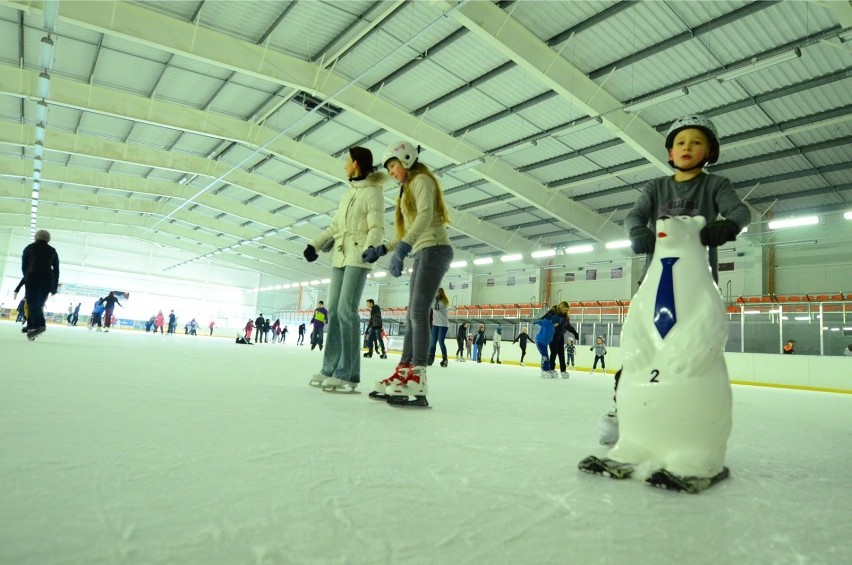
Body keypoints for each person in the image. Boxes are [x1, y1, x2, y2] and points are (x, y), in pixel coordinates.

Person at [363, 141, 453, 407]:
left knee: (417, 313)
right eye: (388, 168)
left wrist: (402, 249)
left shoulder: (421, 180)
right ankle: (404, 371)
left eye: (392, 166)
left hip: (435, 249)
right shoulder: (406, 190)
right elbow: (408, 230)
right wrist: (383, 249)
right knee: (411, 314)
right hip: (424, 250)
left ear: (405, 160)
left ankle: (418, 376)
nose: (390, 172)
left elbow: (425, 217)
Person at [624, 114, 751, 284]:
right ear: (671, 153)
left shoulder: (715, 185)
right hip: (655, 276)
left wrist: (730, 225)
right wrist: (636, 230)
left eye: (696, 142)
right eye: (681, 143)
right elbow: (635, 215)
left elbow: (740, 211)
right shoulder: (655, 187)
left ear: (710, 152)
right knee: (639, 310)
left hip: (698, 277)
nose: (687, 147)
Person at [304, 147, 388, 391]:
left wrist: (372, 248)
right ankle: (329, 367)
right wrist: (315, 245)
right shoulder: (348, 194)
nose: (344, 165)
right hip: (340, 255)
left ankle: (348, 373)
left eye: (347, 161)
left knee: (346, 310)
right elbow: (334, 227)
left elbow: (377, 227)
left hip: (359, 255)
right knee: (334, 310)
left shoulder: (373, 193)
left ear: (356, 164)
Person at [21, 230, 59, 340]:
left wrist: (26, 277)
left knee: (32, 302)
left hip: (33, 276)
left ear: (36, 237)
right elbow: (56, 270)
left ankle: (39, 325)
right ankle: (32, 327)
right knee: (39, 303)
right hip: (48, 278)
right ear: (48, 239)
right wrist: (54, 287)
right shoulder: (52, 251)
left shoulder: (29, 248)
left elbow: (24, 265)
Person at [428, 288, 451, 367]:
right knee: (433, 341)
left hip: (443, 324)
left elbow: (434, 306)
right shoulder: (435, 300)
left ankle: (445, 359)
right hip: (435, 324)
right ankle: (430, 357)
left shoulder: (443, 302)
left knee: (441, 341)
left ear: (440, 293)